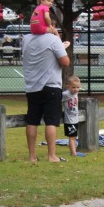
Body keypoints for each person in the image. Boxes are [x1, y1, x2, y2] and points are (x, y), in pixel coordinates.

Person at [22, 26, 71, 162]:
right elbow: (65, 62)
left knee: (32, 120)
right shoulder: (53, 39)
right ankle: (51, 155)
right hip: (51, 86)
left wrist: (58, 41)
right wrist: (58, 40)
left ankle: (32, 156)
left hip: (32, 86)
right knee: (51, 121)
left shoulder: (26, 39)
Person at [62, 75, 86, 158]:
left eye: (78, 87)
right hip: (69, 120)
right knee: (72, 137)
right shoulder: (65, 94)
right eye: (73, 87)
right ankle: (73, 153)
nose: (76, 89)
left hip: (75, 119)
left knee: (74, 137)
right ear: (68, 87)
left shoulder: (75, 93)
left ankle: (73, 151)